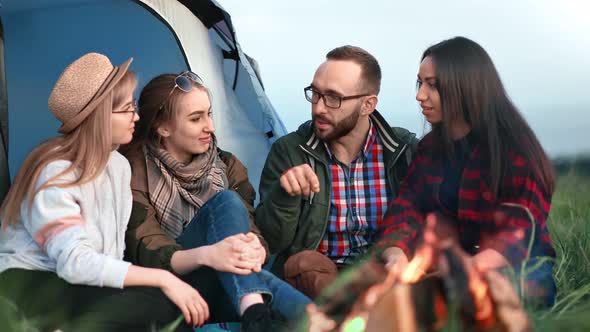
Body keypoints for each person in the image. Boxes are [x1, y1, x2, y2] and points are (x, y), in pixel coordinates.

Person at [0, 53, 209, 331]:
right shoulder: (55, 172)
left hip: (73, 284)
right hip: (27, 284)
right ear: (99, 115)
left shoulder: (118, 166)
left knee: (163, 305)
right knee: (158, 302)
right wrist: (163, 278)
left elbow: (111, 254)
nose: (136, 116)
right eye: (126, 109)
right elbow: (74, 263)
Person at [122, 72, 310, 331]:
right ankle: (275, 312)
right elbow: (148, 251)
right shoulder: (134, 172)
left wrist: (257, 247)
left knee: (237, 240)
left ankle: (258, 313)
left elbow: (249, 230)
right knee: (226, 203)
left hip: (225, 281)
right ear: (163, 127)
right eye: (196, 118)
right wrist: (210, 255)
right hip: (172, 287)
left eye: (209, 114)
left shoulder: (228, 165)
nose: (209, 126)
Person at [378, 36, 557, 307]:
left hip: (514, 268)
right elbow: (407, 207)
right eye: (420, 83)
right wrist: (396, 256)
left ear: (466, 88)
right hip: (448, 260)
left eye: (433, 85)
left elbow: (517, 233)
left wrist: (456, 275)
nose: (420, 95)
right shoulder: (429, 148)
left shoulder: (514, 150)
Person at [255, 45, 419, 298]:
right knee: (304, 264)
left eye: (333, 98)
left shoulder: (403, 150)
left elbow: (425, 220)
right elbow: (271, 242)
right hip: (319, 278)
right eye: (316, 94)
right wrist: (284, 195)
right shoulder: (289, 151)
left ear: (367, 104)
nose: (319, 107)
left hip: (385, 271)